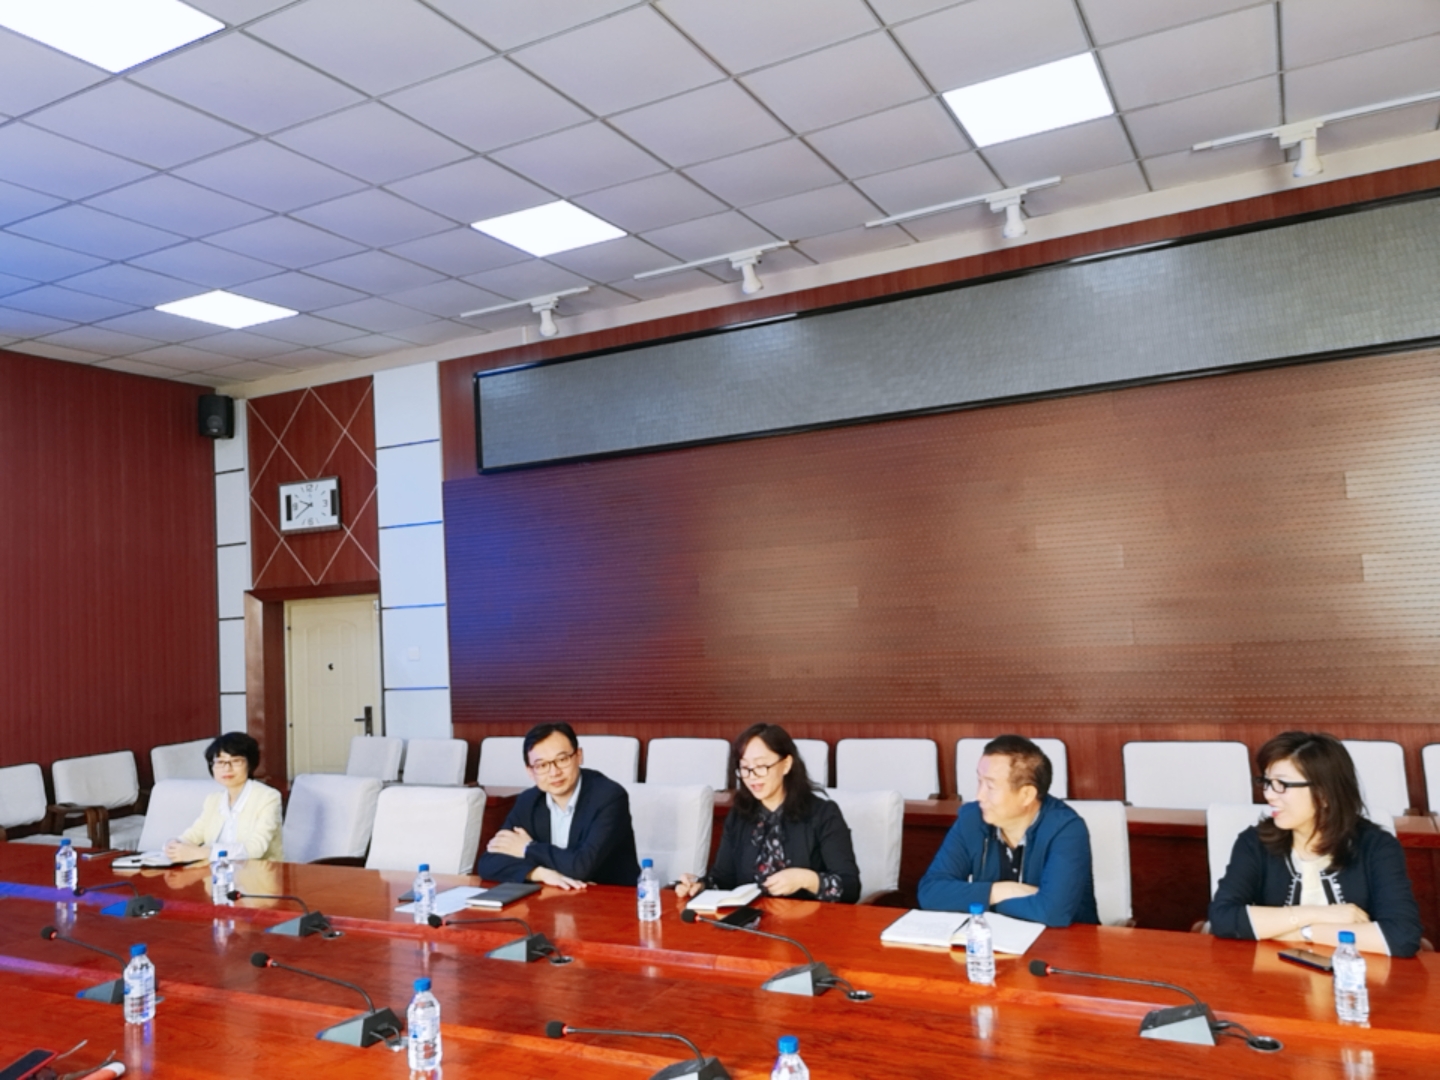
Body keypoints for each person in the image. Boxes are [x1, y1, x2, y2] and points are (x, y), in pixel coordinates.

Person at [1210, 731, 1423, 957]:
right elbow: (1223, 918)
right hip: (1274, 972)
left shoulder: (1377, 847)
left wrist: (1304, 932)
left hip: (1357, 974)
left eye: (1282, 784)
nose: (1269, 795)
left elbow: (1402, 936)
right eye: (1267, 782)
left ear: (1324, 794)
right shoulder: (1254, 842)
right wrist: (1317, 914)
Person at [917, 735, 1097, 926]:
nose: (979, 796)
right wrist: (1000, 891)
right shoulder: (972, 818)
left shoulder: (1066, 829)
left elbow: (1052, 913)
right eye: (979, 781)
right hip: (995, 937)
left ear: (1026, 795)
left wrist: (979, 901)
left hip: (1066, 940)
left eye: (990, 786)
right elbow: (930, 893)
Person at [676, 724, 861, 903]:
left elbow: (850, 888)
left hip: (808, 920)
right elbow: (723, 880)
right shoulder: (739, 815)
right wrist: (699, 885)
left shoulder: (823, 814)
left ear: (786, 764)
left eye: (761, 766)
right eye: (745, 768)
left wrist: (806, 879)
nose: (752, 776)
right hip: (750, 919)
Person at [476, 722, 639, 889]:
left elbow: (581, 867)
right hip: (553, 896)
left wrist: (527, 848)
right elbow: (488, 863)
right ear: (530, 772)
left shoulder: (609, 797)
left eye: (562, 759)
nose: (554, 772)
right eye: (542, 765)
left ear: (579, 756)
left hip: (609, 896)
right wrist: (540, 873)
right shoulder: (529, 801)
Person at [164, 732, 283, 862]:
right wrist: (173, 844)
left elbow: (255, 849)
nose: (227, 768)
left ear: (250, 764)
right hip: (215, 872)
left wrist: (204, 852)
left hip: (257, 872)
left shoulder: (268, 797)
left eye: (236, 761)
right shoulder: (213, 800)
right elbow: (193, 835)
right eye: (220, 762)